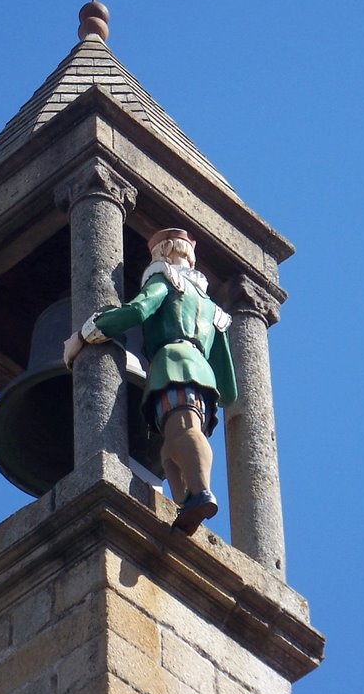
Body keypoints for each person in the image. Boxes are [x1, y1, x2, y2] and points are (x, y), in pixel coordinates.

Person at [63, 228, 237, 535]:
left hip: (172, 364)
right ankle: (187, 504)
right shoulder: (212, 310)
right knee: (168, 450)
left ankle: (201, 492)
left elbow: (139, 309)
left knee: (183, 429)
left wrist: (85, 333)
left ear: (163, 253)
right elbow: (228, 384)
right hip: (201, 375)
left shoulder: (166, 281)